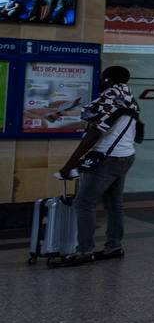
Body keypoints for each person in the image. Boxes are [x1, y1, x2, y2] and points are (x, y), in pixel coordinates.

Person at [55, 65, 140, 267]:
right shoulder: (130, 98)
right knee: (114, 203)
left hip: (107, 158)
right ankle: (114, 247)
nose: (100, 81)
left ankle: (84, 251)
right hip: (125, 156)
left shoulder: (110, 97)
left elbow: (95, 133)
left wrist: (71, 163)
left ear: (109, 79)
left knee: (84, 203)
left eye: (103, 78)